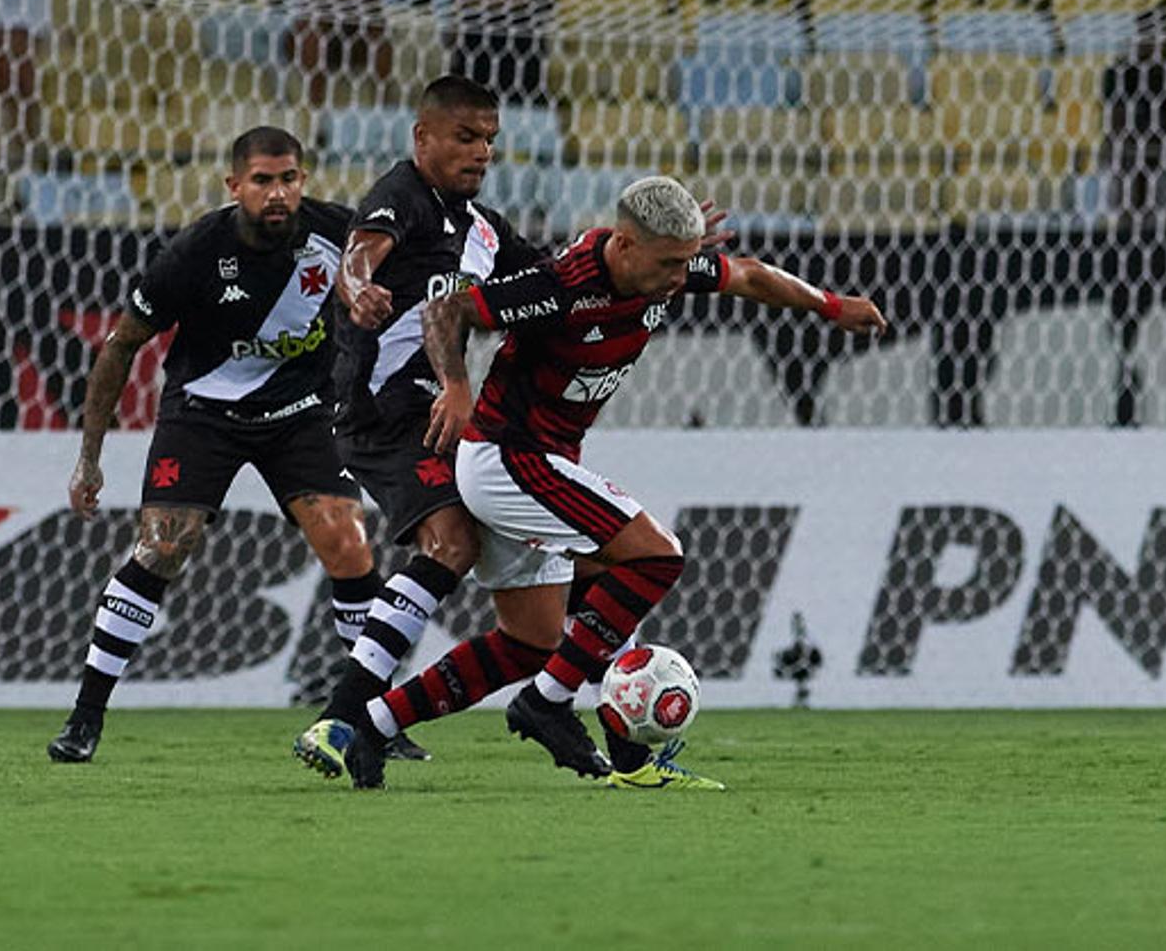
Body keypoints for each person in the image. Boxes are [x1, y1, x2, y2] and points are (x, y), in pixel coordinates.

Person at [333, 176, 886, 788]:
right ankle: (551, 705)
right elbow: (446, 308)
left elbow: (750, 275)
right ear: (624, 245)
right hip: (508, 459)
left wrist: (832, 307)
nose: (681, 277)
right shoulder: (563, 287)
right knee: (656, 558)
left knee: (529, 640)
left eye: (686, 262)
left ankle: (374, 725)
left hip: (540, 463)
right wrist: (457, 387)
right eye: (669, 262)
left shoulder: (661, 271)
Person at [46, 127, 382, 763]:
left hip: (298, 416)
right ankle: (86, 716)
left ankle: (368, 720)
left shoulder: (340, 235)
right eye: (261, 181)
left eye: (288, 178)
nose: (277, 193)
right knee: (163, 547)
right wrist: (90, 457)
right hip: (203, 415)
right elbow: (121, 346)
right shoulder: (197, 250)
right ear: (235, 187)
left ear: (303, 181)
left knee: (348, 540)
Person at [292, 74, 546, 772]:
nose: (481, 152)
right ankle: (344, 718)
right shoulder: (397, 196)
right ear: (423, 137)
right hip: (380, 410)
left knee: (512, 544)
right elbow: (358, 253)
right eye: (466, 137)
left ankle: (371, 718)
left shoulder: (484, 229)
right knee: (450, 540)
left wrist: (639, 256)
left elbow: (555, 280)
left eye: (490, 140)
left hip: (438, 414)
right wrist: (356, 288)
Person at [1101, 1, 1166, 233]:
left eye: (1160, 33)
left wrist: (1143, 128)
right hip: (1125, 163)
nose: (1153, 40)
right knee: (1124, 225)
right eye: (1148, 32)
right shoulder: (1120, 71)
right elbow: (1116, 121)